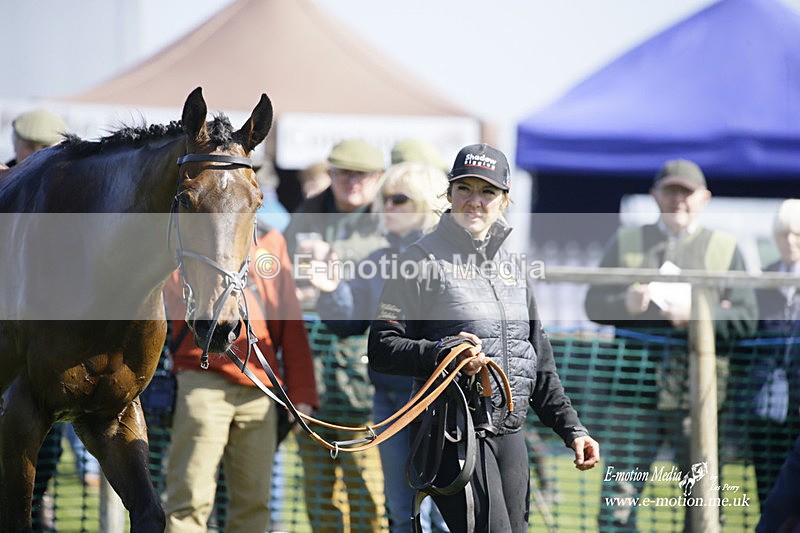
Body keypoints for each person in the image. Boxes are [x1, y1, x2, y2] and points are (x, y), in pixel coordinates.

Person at [369, 143, 600, 532]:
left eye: (487, 192)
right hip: (450, 433)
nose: (475, 201)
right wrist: (445, 352)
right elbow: (382, 348)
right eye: (465, 189)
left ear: (504, 201)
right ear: (449, 193)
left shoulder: (514, 267)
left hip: (510, 433)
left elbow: (539, 365)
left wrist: (573, 430)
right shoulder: (418, 260)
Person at [583, 158, 758, 531]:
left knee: (705, 505)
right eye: (670, 191)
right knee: (617, 503)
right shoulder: (626, 240)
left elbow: (748, 317)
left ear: (705, 198)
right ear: (654, 195)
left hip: (700, 397)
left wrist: (697, 315)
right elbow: (593, 304)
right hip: (632, 392)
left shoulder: (726, 248)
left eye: (687, 192)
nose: (678, 199)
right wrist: (625, 305)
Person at [309, 161, 449, 532]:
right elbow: (346, 321)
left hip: (444, 402)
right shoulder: (379, 259)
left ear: (425, 202)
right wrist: (331, 288)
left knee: (445, 514)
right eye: (384, 197)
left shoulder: (452, 257)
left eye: (398, 198)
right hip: (389, 399)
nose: (385, 205)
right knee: (402, 512)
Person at [162, 228, 318, 533]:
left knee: (254, 503)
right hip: (201, 379)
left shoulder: (271, 243)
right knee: (189, 502)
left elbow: (291, 321)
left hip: (260, 391)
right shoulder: (190, 238)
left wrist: (302, 393)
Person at [283, 138, 388, 532]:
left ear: (378, 178)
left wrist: (331, 282)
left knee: (369, 494)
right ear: (330, 174)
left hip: (366, 382)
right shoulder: (306, 218)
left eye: (361, 175)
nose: (352, 182)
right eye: (344, 173)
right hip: (311, 376)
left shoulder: (389, 222)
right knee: (318, 492)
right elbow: (279, 274)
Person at [745, 199, 800, 505]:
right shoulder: (760, 282)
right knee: (769, 495)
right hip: (765, 409)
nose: (790, 241)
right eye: (783, 234)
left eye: (797, 234)